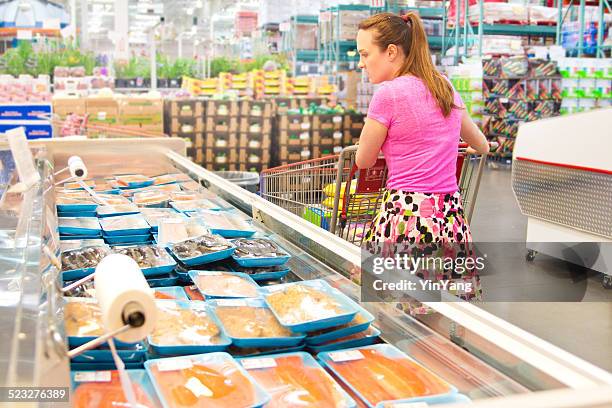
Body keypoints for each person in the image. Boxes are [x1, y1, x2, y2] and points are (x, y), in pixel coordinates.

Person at [355, 12, 489, 311]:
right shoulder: (444, 86)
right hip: (449, 216)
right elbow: (480, 144)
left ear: (391, 51)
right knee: (442, 306)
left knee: (396, 312)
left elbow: (363, 160)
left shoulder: (387, 94)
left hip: (407, 216)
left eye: (365, 54)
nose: (361, 63)